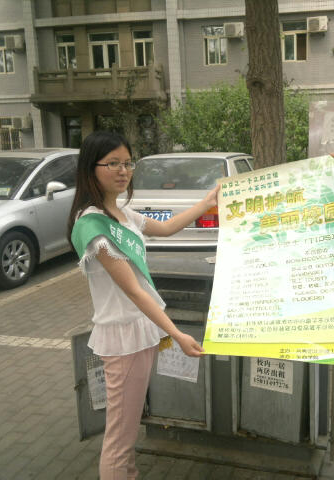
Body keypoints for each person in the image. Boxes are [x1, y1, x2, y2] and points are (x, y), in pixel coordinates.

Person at [67, 131, 218, 480]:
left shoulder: (120, 212)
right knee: (120, 438)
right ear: (91, 168)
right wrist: (178, 334)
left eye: (127, 163)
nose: (123, 171)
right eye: (112, 164)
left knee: (127, 427)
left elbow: (165, 228)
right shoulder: (93, 224)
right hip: (123, 337)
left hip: (139, 331)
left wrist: (207, 202)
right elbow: (134, 291)